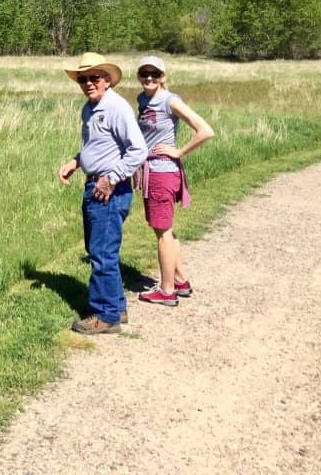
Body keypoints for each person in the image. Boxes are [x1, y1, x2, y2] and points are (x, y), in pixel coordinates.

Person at [58, 52, 148, 335]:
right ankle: (115, 306)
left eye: (94, 77)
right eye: (83, 78)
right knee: (100, 249)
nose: (88, 83)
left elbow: (138, 150)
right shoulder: (89, 109)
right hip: (94, 185)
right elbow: (94, 147)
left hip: (109, 190)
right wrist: (76, 161)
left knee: (102, 253)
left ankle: (106, 316)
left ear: (107, 80)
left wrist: (110, 179)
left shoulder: (116, 107)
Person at [134, 55, 215, 306]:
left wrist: (178, 151)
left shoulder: (170, 101)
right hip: (152, 171)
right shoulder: (143, 100)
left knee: (163, 234)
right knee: (164, 229)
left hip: (162, 172)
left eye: (154, 74)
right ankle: (179, 280)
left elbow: (205, 130)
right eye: (144, 73)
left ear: (163, 77)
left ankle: (167, 290)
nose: (149, 78)